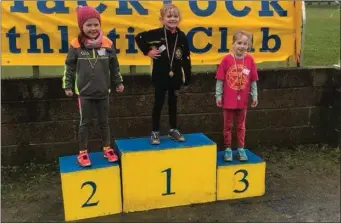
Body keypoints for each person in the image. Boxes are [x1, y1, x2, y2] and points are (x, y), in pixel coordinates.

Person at [62, 6, 124, 167]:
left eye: (96, 24)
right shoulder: (75, 45)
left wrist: (118, 82)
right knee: (85, 123)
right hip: (84, 93)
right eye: (88, 25)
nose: (93, 28)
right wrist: (67, 85)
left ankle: (107, 148)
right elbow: (69, 67)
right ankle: (83, 152)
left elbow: (114, 67)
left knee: (104, 122)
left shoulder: (108, 43)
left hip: (103, 92)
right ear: (81, 26)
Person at [134, 4, 192, 145]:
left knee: (173, 103)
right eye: (169, 16)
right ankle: (155, 132)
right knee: (158, 103)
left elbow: (186, 57)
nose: (172, 19)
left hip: (175, 75)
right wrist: (148, 51)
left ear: (179, 19)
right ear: (162, 19)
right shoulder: (156, 34)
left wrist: (188, 76)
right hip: (160, 75)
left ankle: (173, 130)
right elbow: (139, 37)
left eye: (175, 16)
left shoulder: (182, 36)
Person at [215, 30, 259, 162]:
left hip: (243, 100)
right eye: (239, 43)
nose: (242, 46)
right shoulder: (226, 59)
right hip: (228, 100)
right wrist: (218, 95)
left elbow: (253, 80)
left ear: (249, 46)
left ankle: (241, 148)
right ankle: (227, 148)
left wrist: (255, 95)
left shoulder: (250, 60)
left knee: (241, 126)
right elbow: (220, 80)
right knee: (227, 125)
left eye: (245, 44)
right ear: (233, 44)